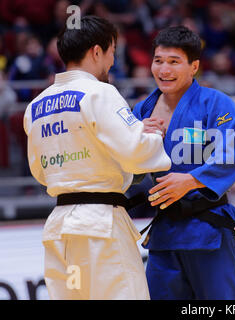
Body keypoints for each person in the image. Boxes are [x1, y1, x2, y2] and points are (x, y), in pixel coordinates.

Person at [23, 16, 171, 300]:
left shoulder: (36, 105)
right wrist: (152, 136)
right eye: (112, 52)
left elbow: (41, 172)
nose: (112, 62)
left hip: (59, 228)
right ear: (96, 51)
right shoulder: (100, 93)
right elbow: (137, 154)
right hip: (100, 226)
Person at [133, 26, 235, 300]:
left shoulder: (216, 104)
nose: (164, 70)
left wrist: (191, 180)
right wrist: (137, 139)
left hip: (208, 230)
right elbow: (128, 168)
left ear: (193, 66)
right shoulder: (142, 111)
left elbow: (232, 155)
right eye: (158, 61)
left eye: (174, 62)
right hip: (164, 234)